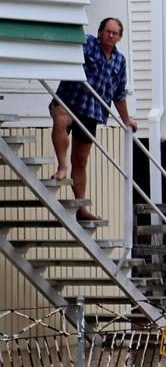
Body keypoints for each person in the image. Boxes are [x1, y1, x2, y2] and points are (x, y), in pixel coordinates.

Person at [49, 17, 138, 221]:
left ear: (120, 37)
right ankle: (62, 167)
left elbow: (119, 94)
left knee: (81, 160)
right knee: (61, 120)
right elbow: (70, 39)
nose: (110, 35)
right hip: (70, 100)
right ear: (100, 32)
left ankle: (82, 208)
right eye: (107, 31)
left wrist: (126, 120)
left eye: (115, 33)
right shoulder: (88, 44)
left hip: (92, 111)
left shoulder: (119, 61)